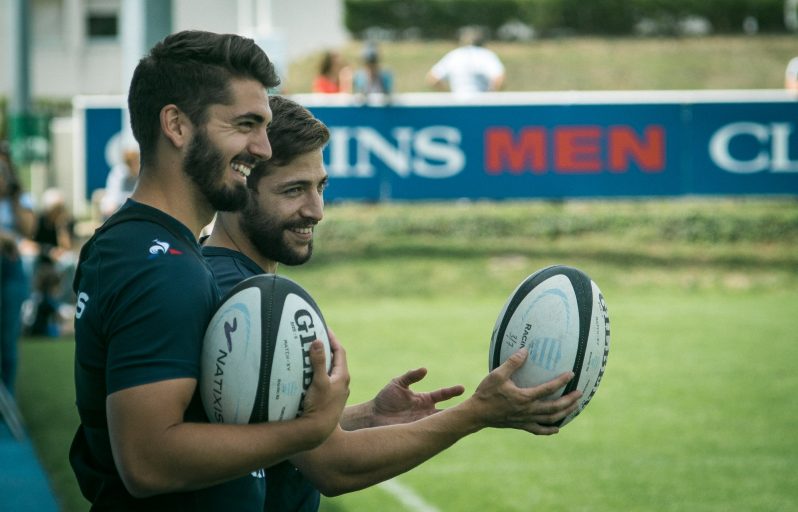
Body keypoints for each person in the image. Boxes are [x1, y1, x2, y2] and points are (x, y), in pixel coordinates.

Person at [202, 95, 582, 509]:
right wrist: (476, 413)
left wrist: (369, 417)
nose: (317, 210)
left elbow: (271, 432)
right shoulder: (249, 305)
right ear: (239, 187)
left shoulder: (222, 277)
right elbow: (332, 467)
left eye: (321, 186)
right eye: (294, 190)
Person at [70, 30, 351, 511]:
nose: (262, 149)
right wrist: (307, 430)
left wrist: (356, 419)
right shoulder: (165, 269)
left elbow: (213, 427)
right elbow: (148, 460)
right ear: (177, 126)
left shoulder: (131, 241)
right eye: (245, 125)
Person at [0, 142, 36, 396]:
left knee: (7, 340)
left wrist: (11, 195)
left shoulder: (19, 198)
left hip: (11, 270)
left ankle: (7, 403)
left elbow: (28, 228)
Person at [426, 26, 506, 97]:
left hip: (458, 105)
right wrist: (491, 96)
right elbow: (499, 79)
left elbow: (432, 79)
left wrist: (449, 96)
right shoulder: (486, 55)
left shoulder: (454, 55)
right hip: (481, 106)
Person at [100, 142, 140, 219]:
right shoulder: (118, 172)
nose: (134, 164)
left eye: (136, 161)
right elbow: (112, 194)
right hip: (119, 210)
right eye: (131, 162)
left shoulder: (142, 174)